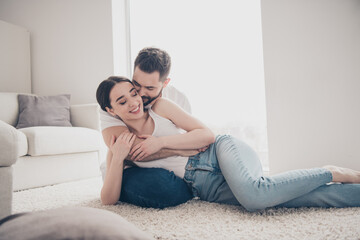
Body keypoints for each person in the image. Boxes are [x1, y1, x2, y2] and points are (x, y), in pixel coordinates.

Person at [96, 76, 360, 211]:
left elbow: (208, 135)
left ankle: (332, 171)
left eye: (133, 93)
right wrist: (118, 158)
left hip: (219, 152)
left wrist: (160, 143)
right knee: (280, 199)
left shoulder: (160, 107)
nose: (133, 102)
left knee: (256, 196)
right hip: (204, 186)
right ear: (110, 110)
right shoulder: (120, 143)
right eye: (122, 101)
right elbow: (107, 199)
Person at [99, 47, 197, 208]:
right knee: (165, 187)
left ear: (165, 83)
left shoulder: (177, 99)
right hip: (128, 170)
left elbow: (193, 141)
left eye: (150, 88)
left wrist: (170, 145)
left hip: (171, 168)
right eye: (136, 84)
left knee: (175, 184)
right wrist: (177, 150)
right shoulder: (111, 102)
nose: (140, 94)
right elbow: (131, 151)